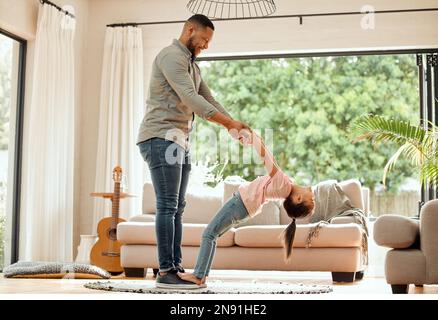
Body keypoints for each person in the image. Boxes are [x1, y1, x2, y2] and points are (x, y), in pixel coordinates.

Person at [137, 14, 251, 289]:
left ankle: (174, 267)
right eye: (204, 40)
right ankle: (165, 271)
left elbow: (208, 99)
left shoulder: (192, 66)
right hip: (160, 137)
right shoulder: (171, 57)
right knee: (167, 205)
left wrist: (232, 125)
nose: (206, 46)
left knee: (177, 207)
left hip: (178, 141)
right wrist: (228, 123)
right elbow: (191, 99)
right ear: (190, 30)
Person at [178, 132, 315, 286]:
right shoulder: (286, 184)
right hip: (243, 207)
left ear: (298, 199)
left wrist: (254, 138)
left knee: (208, 234)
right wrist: (257, 138)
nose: (312, 193)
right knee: (212, 235)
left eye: (311, 199)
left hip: (241, 203)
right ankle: (200, 276)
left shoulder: (283, 186)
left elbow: (266, 159)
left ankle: (198, 276)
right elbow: (273, 160)